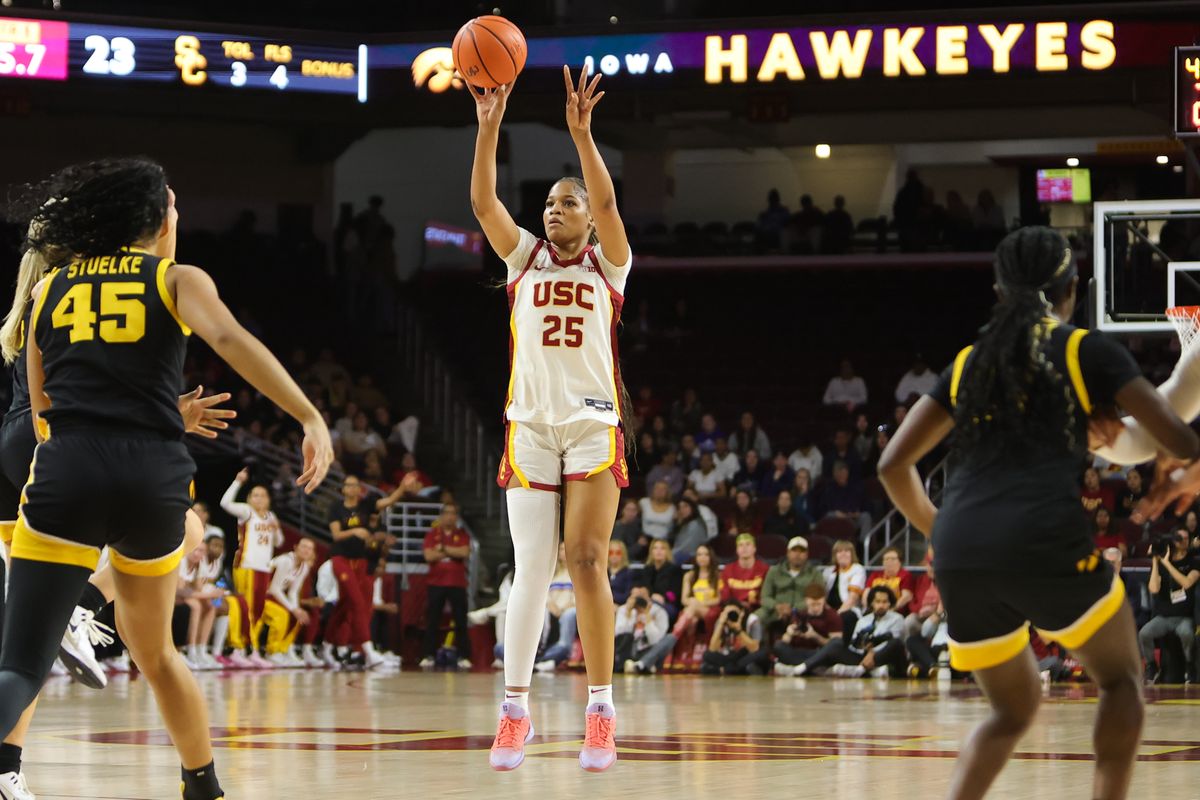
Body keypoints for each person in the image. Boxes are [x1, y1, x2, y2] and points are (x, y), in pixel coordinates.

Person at [0, 158, 333, 800]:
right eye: (174, 209)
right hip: (152, 479)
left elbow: (45, 414)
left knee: (19, 665)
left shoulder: (48, 290)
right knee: (156, 653)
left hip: (65, 472)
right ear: (155, 222)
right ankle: (202, 787)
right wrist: (309, 415)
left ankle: (73, 617)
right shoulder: (176, 278)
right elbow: (232, 340)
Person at [877, 226, 1199, 800]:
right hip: (1039, 536)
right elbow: (1173, 432)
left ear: (1000, 291)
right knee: (1122, 682)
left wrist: (939, 530)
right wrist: (1182, 461)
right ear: (1073, 287)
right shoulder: (1082, 349)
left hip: (958, 552)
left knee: (1010, 711)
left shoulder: (970, 362)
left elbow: (892, 466)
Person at [473, 67, 630, 772]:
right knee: (531, 568)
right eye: (548, 203)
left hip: (593, 425)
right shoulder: (524, 260)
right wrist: (488, 127)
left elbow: (604, 194)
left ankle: (600, 710)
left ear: (590, 217)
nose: (554, 211)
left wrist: (582, 137)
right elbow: (482, 204)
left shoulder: (611, 264)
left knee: (588, 561)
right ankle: (515, 713)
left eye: (566, 204)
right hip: (530, 427)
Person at [327, 474, 395, 670]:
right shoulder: (336, 508)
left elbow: (387, 501)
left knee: (348, 606)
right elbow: (336, 535)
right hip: (342, 559)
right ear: (343, 489)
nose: (353, 488)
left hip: (363, 563)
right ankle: (367, 649)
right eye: (349, 485)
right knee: (356, 603)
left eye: (356, 485)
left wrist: (401, 489)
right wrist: (356, 532)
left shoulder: (367, 508)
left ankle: (330, 645)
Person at [221, 468, 284, 667]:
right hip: (246, 566)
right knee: (245, 608)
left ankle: (252, 648)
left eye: (263, 495)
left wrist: (276, 529)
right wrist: (237, 482)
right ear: (249, 499)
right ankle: (238, 648)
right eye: (255, 495)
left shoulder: (271, 516)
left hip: (263, 568)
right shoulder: (246, 512)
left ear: (268, 499)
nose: (259, 498)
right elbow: (225, 503)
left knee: (257, 609)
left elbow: (279, 541)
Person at [791, 586, 906, 678]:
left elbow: (891, 643)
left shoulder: (897, 618)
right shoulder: (863, 620)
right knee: (836, 643)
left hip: (882, 656)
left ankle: (862, 670)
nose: (881, 605)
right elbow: (854, 644)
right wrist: (862, 645)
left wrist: (872, 652)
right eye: (878, 601)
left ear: (890, 603)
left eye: (885, 602)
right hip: (861, 656)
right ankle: (805, 667)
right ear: (872, 603)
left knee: (895, 643)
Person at [1138, 528, 1198, 684]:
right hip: (1163, 616)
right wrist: (1155, 561)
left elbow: (1186, 583)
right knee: (1144, 633)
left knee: (1187, 634)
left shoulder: (1194, 562)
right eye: (1179, 537)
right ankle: (1152, 666)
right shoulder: (1162, 563)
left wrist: (1167, 564)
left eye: (1186, 538)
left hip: (1184, 616)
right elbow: (1153, 589)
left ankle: (1190, 666)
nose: (1182, 540)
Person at [419, 502, 473, 671]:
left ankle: (464, 656)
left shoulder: (462, 534)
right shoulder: (432, 534)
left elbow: (464, 552)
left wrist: (442, 549)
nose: (450, 516)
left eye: (453, 513)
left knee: (460, 620)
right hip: (436, 582)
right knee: (432, 620)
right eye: (447, 513)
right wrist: (451, 552)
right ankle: (428, 655)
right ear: (442, 516)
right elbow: (429, 556)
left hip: (457, 583)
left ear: (456, 517)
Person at [261, 538, 317, 667]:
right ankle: (272, 652)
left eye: (310, 548)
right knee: (282, 615)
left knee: (298, 617)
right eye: (304, 546)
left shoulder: (304, 568)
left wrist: (296, 610)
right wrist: (293, 609)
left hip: (275, 596)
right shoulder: (285, 561)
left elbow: (293, 592)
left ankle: (284, 649)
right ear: (295, 547)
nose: (306, 550)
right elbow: (274, 588)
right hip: (263, 595)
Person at [771, 583, 845, 676]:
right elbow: (785, 641)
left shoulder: (832, 616)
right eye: (813, 604)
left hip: (820, 653)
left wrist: (815, 636)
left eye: (819, 604)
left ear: (824, 601)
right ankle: (814, 669)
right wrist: (789, 633)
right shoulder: (799, 614)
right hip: (800, 652)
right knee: (778, 646)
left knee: (837, 643)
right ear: (806, 601)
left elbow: (834, 645)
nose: (816, 608)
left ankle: (801, 668)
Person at [752, 536, 823, 633]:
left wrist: (793, 609)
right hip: (775, 610)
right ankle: (755, 646)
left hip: (804, 612)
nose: (797, 554)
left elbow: (819, 598)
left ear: (807, 554)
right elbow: (765, 597)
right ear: (788, 553)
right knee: (753, 619)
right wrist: (777, 606)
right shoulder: (774, 571)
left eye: (801, 551)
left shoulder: (815, 574)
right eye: (794, 551)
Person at [176, 544, 223, 670]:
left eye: (201, 551)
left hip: (184, 596)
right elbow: (179, 591)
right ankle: (191, 650)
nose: (197, 553)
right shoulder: (181, 561)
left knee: (210, 605)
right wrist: (208, 594)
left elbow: (198, 589)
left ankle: (201, 649)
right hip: (171, 597)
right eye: (195, 549)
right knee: (196, 605)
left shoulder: (200, 565)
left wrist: (213, 593)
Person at [671, 543, 722, 659]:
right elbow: (684, 599)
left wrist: (698, 604)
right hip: (692, 609)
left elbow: (718, 599)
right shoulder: (689, 576)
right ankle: (689, 650)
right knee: (692, 618)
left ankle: (675, 634)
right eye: (699, 555)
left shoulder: (717, 575)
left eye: (705, 554)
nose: (702, 558)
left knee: (690, 610)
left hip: (710, 609)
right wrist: (694, 605)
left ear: (710, 557)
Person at [534, 542, 578, 673]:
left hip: (570, 610)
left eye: (566, 549)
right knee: (542, 611)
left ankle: (541, 659)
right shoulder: (552, 573)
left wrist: (563, 609)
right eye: (561, 549)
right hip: (553, 610)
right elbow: (544, 594)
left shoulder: (576, 572)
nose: (563, 552)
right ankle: (539, 651)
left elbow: (579, 597)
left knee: (569, 614)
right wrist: (551, 605)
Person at [615, 586, 675, 675]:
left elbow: (655, 640)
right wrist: (629, 613)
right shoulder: (624, 609)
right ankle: (643, 666)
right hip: (630, 651)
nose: (639, 600)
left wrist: (647, 617)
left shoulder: (659, 611)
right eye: (635, 596)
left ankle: (641, 664)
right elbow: (619, 634)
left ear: (649, 597)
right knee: (625, 637)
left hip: (649, 650)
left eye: (642, 596)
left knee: (670, 638)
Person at [824, 539, 868, 634]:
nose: (843, 554)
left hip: (848, 609)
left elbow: (852, 599)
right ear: (835, 555)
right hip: (829, 608)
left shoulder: (857, 569)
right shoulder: (828, 571)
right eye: (839, 551)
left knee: (846, 617)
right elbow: (822, 595)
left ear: (852, 554)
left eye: (846, 551)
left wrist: (836, 614)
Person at [636, 539, 684, 622]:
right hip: (648, 601)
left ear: (667, 552)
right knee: (629, 606)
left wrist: (664, 597)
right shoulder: (647, 569)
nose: (659, 551)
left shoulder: (675, 570)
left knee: (649, 611)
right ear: (651, 551)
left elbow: (675, 594)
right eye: (655, 548)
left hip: (668, 604)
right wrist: (650, 595)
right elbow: (644, 587)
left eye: (662, 548)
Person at [670, 498, 708, 564]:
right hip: (680, 553)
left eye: (685, 506)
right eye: (680, 507)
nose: (682, 510)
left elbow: (687, 548)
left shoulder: (695, 524)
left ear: (692, 508)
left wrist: (668, 553)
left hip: (691, 555)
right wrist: (676, 522)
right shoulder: (685, 524)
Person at [607, 540, 633, 606]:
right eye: (611, 552)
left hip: (621, 606)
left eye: (618, 553)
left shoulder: (628, 573)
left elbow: (627, 595)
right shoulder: (603, 571)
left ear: (623, 554)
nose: (614, 556)